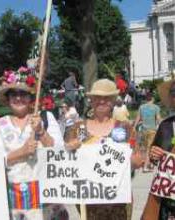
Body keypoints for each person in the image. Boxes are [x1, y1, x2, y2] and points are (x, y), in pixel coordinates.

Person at [65, 79, 144, 220]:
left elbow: (137, 159)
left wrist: (135, 162)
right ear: (91, 100)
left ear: (113, 100)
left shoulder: (124, 127)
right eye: (97, 98)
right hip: (88, 200)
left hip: (119, 199)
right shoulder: (79, 128)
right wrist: (69, 148)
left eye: (106, 98)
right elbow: (65, 162)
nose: (102, 101)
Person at [0, 68, 64, 220]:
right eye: (14, 94)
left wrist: (42, 132)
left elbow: (59, 153)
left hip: (46, 196)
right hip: (14, 198)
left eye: (23, 94)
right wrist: (22, 152)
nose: (18, 98)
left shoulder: (45, 118)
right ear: (8, 98)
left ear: (31, 98)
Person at [142, 79, 175, 220]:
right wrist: (155, 155)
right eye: (173, 93)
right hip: (168, 202)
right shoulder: (165, 126)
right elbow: (156, 156)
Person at [133, 92, 161, 172]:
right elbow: (158, 119)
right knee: (150, 149)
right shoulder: (156, 107)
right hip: (152, 131)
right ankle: (146, 167)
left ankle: (148, 164)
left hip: (143, 130)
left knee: (145, 149)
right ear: (152, 98)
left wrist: (134, 127)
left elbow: (138, 117)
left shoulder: (142, 107)